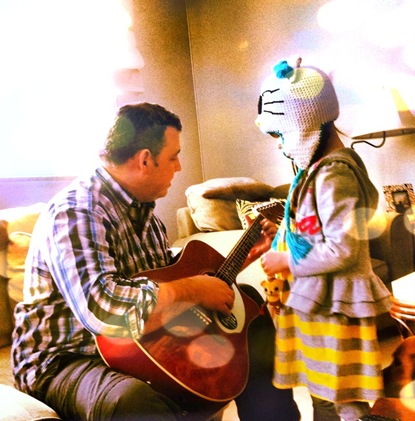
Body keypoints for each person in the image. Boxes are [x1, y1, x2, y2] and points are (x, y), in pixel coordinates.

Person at [11, 102, 300, 420]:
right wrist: (196, 289)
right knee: (131, 401)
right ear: (145, 159)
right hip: (67, 359)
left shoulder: (145, 212)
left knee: (252, 311)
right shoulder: (77, 212)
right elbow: (104, 310)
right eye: (173, 157)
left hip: (142, 344)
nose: (179, 167)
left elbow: (170, 279)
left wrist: (245, 256)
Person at [256, 59, 392, 421]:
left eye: (281, 135)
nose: (280, 146)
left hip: (336, 306)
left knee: (343, 394)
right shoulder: (317, 172)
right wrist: (282, 237)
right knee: (322, 388)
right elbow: (314, 229)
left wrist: (286, 260)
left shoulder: (334, 175)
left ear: (304, 125)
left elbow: (341, 247)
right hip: (319, 302)